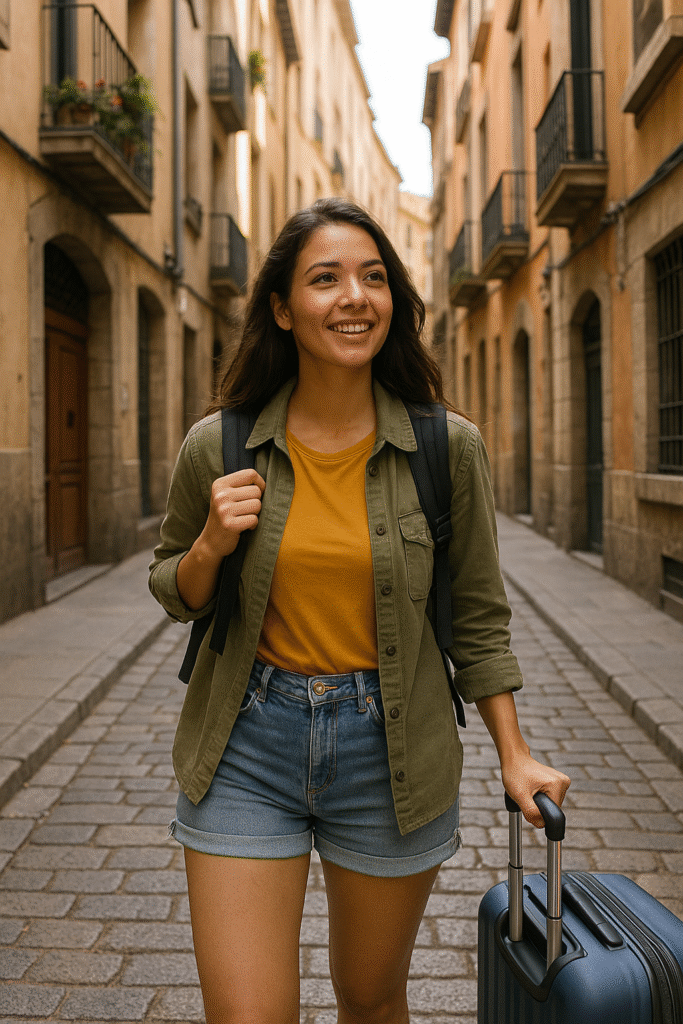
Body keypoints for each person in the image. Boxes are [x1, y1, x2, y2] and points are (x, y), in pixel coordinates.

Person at [149, 197, 570, 1024]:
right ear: (282, 307)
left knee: (370, 998)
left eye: (373, 277)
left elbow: (478, 618)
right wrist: (207, 546)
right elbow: (175, 589)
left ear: (393, 302)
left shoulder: (445, 448)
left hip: (392, 753)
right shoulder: (220, 444)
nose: (354, 296)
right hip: (245, 743)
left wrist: (513, 755)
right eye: (326, 278)